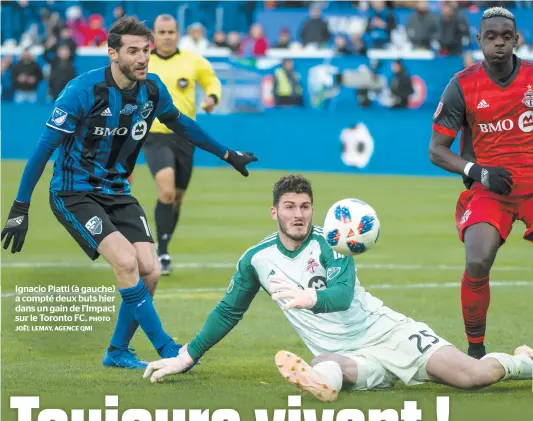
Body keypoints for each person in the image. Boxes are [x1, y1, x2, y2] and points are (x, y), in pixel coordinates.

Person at [1, 16, 257, 370]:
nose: (142, 59)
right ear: (112, 53)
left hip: (118, 191)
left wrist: (228, 154)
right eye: (133, 51)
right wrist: (19, 207)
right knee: (125, 261)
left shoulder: (152, 90)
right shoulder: (82, 90)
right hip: (74, 192)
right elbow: (43, 150)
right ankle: (167, 347)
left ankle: (117, 351)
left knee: (150, 271)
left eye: (146, 51)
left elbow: (183, 125)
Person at [142, 175, 533, 402]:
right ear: (274, 212)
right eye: (290, 207)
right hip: (344, 353)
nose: (298, 215)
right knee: (325, 363)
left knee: (472, 378)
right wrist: (185, 357)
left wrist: (308, 298)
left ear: (314, 210)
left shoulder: (332, 242)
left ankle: (523, 360)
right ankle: (326, 381)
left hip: (385, 332)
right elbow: (228, 311)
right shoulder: (256, 260)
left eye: (305, 207)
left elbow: (343, 295)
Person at [429, 7, 533, 359]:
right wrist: (479, 172)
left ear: (517, 39)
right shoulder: (462, 85)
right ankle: (475, 352)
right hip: (493, 189)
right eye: (492, 37)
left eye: (506, 36)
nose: (500, 43)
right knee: (476, 261)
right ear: (479, 41)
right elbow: (437, 151)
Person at [143, 14, 222, 275]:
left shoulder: (192, 60)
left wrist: (212, 97)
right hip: (154, 134)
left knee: (176, 198)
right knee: (165, 191)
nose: (167, 37)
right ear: (153, 35)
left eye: (171, 32)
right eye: (162, 32)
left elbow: (211, 80)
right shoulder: (144, 60)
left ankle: (163, 246)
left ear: (178, 34)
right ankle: (161, 254)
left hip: (185, 136)